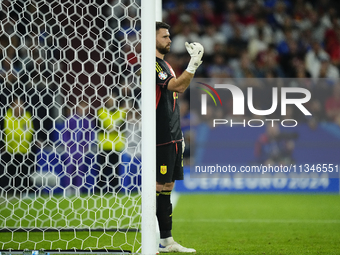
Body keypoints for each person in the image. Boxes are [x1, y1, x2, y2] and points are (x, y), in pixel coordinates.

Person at [154, 21, 203, 253]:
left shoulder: (166, 65)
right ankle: (152, 238)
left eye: (169, 35)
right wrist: (193, 64)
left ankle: (166, 241)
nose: (169, 39)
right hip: (161, 135)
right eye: (164, 36)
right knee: (158, 185)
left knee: (167, 186)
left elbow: (179, 88)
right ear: (153, 39)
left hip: (174, 136)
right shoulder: (154, 65)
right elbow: (176, 86)